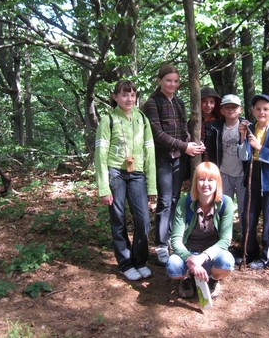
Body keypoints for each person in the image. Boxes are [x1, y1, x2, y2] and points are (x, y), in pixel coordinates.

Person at [95, 80, 157, 281]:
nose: (129, 99)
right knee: (118, 218)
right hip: (115, 173)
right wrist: (104, 188)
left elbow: (150, 151)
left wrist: (152, 186)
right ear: (115, 97)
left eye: (132, 95)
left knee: (143, 220)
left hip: (137, 174)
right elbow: (100, 154)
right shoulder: (108, 120)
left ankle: (139, 261)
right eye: (124, 95)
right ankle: (125, 263)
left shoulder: (142, 119)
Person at [143, 65, 205, 265]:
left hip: (180, 158)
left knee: (175, 199)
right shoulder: (152, 103)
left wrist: (192, 143)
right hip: (162, 158)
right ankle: (161, 244)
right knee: (164, 200)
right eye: (168, 80)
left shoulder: (179, 102)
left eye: (175, 81)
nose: (172, 84)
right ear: (159, 81)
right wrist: (184, 146)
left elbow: (183, 129)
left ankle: (171, 238)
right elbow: (158, 134)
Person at [166, 162, 235, 299]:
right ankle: (186, 278)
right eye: (201, 179)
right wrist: (191, 260)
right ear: (195, 182)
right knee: (173, 266)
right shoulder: (184, 203)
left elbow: (225, 240)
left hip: (212, 255)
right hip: (189, 253)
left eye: (211, 180)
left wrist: (202, 257)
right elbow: (176, 239)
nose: (206, 184)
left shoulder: (226, 203)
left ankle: (213, 279)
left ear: (217, 183)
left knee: (227, 262)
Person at [237, 94, 269, 269]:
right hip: (252, 176)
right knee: (247, 216)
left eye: (265, 109)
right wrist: (243, 138)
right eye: (258, 109)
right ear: (252, 111)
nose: (261, 112)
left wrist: (259, 148)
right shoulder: (250, 128)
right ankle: (249, 253)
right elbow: (242, 156)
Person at [206, 94, 247, 240]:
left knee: (244, 210)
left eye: (234, 107)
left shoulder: (247, 126)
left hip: (243, 175)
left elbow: (249, 151)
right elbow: (211, 150)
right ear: (222, 110)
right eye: (227, 107)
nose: (231, 110)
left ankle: (245, 241)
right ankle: (223, 240)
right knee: (223, 208)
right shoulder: (215, 127)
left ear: (240, 109)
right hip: (223, 173)